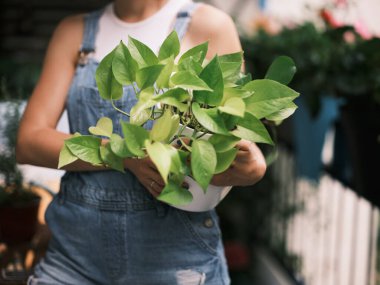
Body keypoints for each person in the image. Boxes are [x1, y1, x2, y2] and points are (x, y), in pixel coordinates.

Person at [16, 0, 267, 284]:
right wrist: (122, 155)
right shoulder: (74, 32)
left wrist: (250, 166)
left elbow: (228, 139)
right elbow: (29, 141)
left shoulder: (210, 26)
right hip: (74, 258)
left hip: (176, 261)